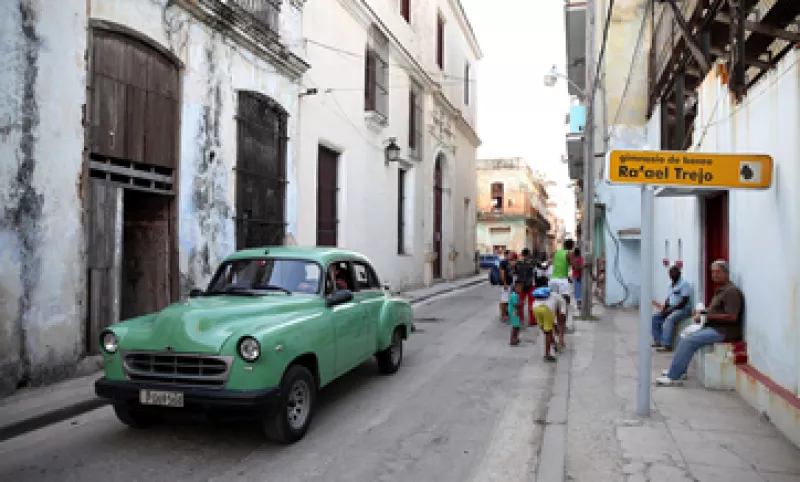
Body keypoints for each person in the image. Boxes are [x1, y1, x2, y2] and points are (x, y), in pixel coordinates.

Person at [656, 260, 743, 386]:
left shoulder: (731, 291)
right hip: (712, 326)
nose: (715, 275)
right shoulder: (721, 290)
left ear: (726, 273)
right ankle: (680, 371)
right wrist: (702, 313)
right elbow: (716, 311)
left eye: (718, 272)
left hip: (723, 331)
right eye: (713, 272)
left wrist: (706, 317)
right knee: (683, 335)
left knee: (689, 341)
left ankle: (673, 377)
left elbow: (732, 317)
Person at [651, 265, 692, 352]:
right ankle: (658, 341)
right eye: (670, 274)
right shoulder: (670, 284)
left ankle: (667, 345)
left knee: (670, 319)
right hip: (671, 308)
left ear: (679, 273)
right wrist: (664, 309)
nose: (671, 275)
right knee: (655, 317)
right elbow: (668, 299)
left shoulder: (685, 284)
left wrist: (670, 310)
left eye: (673, 273)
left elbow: (684, 301)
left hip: (683, 309)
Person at [531, 280, 567, 362]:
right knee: (548, 332)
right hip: (547, 309)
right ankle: (547, 355)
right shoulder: (560, 298)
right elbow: (562, 315)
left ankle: (554, 344)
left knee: (545, 330)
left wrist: (555, 325)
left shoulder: (542, 292)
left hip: (535, 308)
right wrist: (558, 328)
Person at [548, 239, 575, 347]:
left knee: (554, 305)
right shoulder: (569, 254)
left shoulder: (556, 253)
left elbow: (555, 265)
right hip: (562, 282)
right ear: (572, 246)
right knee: (564, 308)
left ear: (563, 245)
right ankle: (561, 338)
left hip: (553, 281)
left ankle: (555, 324)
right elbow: (573, 266)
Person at [515, 248, 536, 326]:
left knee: (520, 303)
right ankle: (532, 320)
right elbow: (541, 267)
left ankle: (520, 320)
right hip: (529, 284)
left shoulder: (518, 263)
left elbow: (515, 272)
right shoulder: (532, 262)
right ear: (528, 254)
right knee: (531, 303)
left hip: (520, 285)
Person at [498, 250, 514, 322]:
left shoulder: (508, 263)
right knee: (504, 300)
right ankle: (503, 315)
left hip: (509, 284)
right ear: (506, 255)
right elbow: (502, 273)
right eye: (510, 254)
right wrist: (504, 283)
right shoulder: (503, 263)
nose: (511, 256)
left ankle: (506, 314)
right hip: (505, 284)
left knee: (507, 300)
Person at [508, 280, 524, 346]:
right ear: (515, 288)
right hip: (514, 312)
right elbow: (515, 305)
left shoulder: (516, 295)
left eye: (521, 287)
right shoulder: (514, 295)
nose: (520, 289)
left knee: (517, 326)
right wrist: (521, 303)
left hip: (516, 312)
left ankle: (516, 338)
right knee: (515, 327)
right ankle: (512, 339)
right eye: (519, 287)